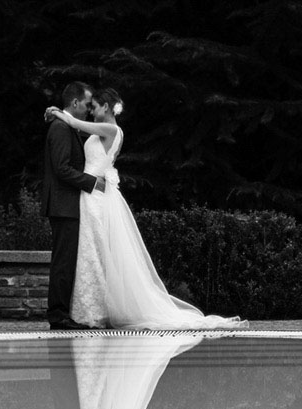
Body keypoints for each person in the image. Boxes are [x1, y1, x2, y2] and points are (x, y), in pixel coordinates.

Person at [45, 88, 248, 331]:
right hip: (89, 197)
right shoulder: (101, 130)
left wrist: (57, 112)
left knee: (95, 253)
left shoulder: (110, 129)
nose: (92, 111)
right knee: (91, 254)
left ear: (107, 108)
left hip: (95, 197)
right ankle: (85, 309)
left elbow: (76, 123)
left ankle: (91, 311)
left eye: (95, 107)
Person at [42, 81, 106, 330]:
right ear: (76, 102)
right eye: (88, 104)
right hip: (63, 204)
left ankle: (61, 312)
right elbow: (61, 168)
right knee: (63, 261)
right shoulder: (59, 128)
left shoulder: (64, 124)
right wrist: (92, 183)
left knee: (67, 260)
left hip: (66, 204)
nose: (90, 109)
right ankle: (57, 315)